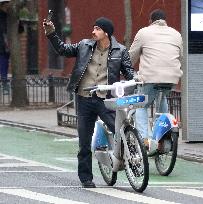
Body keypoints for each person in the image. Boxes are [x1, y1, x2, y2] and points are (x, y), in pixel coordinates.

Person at [43, 16, 133, 188]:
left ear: (106, 32)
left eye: (97, 29)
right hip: (84, 99)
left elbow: (130, 73)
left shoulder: (120, 51)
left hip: (106, 100)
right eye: (93, 28)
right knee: (84, 142)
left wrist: (136, 81)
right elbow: (63, 49)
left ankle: (125, 160)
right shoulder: (84, 45)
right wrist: (51, 32)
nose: (93, 31)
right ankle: (86, 178)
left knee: (120, 132)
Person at [129, 9, 183, 142]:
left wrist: (124, 69)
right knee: (162, 96)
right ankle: (161, 136)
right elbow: (180, 57)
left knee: (141, 105)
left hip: (150, 78)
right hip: (172, 78)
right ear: (165, 21)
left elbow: (131, 57)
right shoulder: (176, 34)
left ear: (150, 21)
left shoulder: (144, 32)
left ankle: (144, 139)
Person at [0, 0, 10, 92]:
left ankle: (4, 83)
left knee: (5, 64)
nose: (9, 4)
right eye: (7, 2)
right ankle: (4, 84)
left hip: (5, 44)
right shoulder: (2, 16)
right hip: (2, 44)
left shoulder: (7, 15)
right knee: (3, 63)